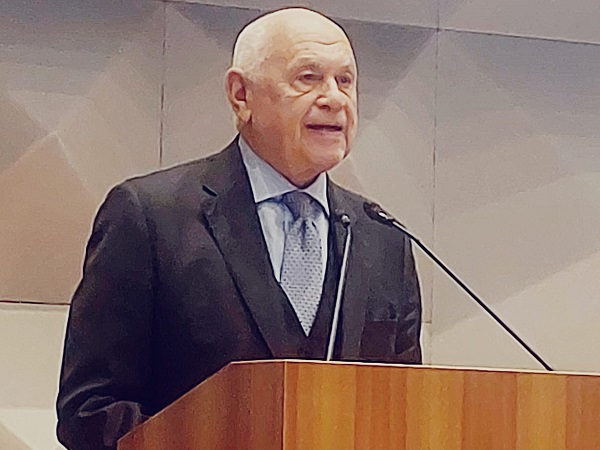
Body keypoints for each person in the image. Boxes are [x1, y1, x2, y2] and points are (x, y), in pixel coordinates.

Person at [56, 7, 422, 450]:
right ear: (241, 95)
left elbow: (408, 414)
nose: (333, 98)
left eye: (345, 80)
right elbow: (89, 410)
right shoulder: (149, 216)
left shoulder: (383, 238)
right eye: (308, 78)